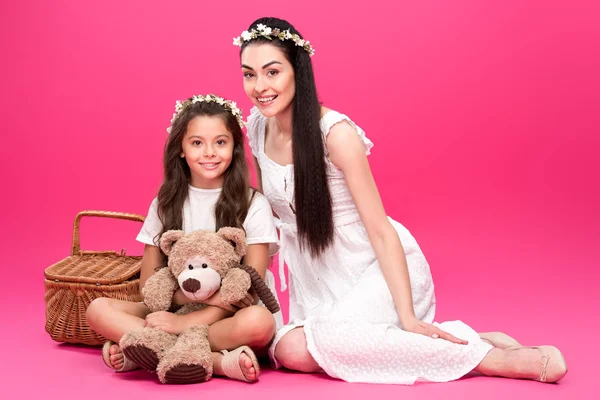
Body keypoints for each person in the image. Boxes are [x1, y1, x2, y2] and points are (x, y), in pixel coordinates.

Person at [234, 18, 568, 384]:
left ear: (297, 70)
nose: (260, 87)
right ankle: (478, 339)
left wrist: (407, 316)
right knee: (285, 346)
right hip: (318, 281)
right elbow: (269, 216)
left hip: (377, 270)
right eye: (249, 74)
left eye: (272, 72)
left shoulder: (336, 135)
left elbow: (379, 231)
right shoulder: (257, 126)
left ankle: (486, 360)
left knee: (298, 350)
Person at [86, 94, 283, 382]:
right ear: (181, 148)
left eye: (220, 142)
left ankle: (146, 351)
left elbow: (251, 287)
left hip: (229, 316)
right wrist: (180, 309)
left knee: (260, 323)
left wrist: (186, 322)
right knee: (98, 309)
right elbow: (148, 284)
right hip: (171, 308)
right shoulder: (165, 203)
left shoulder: (253, 203)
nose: (209, 153)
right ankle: (215, 362)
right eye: (197, 143)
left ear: (234, 147)